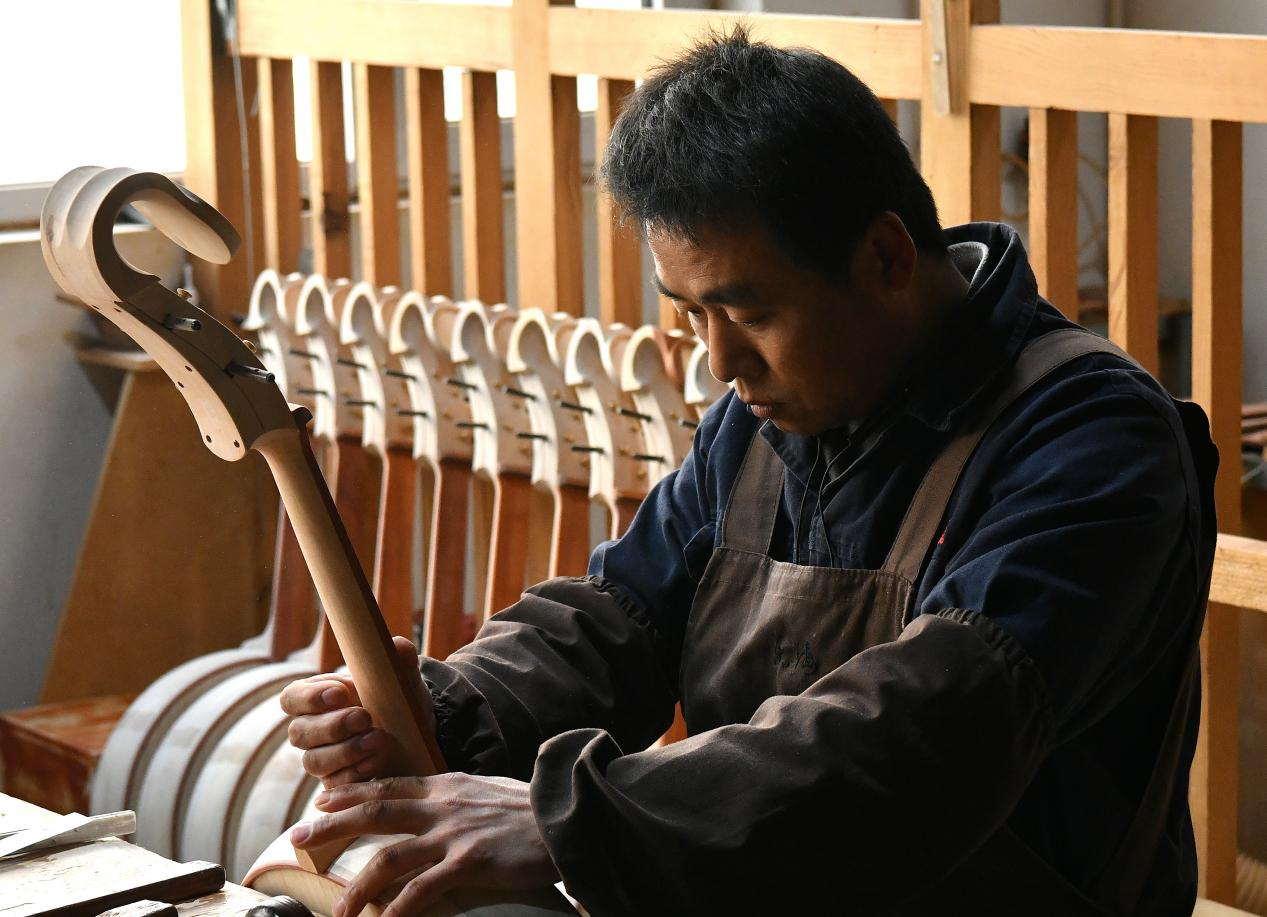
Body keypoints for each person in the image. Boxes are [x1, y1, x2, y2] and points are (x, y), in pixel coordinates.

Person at [280, 26, 1217, 917]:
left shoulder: (1092, 437)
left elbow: (927, 734)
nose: (719, 362)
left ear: (886, 256)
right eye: (690, 313)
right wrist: (455, 706)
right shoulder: (763, 419)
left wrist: (572, 819)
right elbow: (620, 615)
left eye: (749, 313)